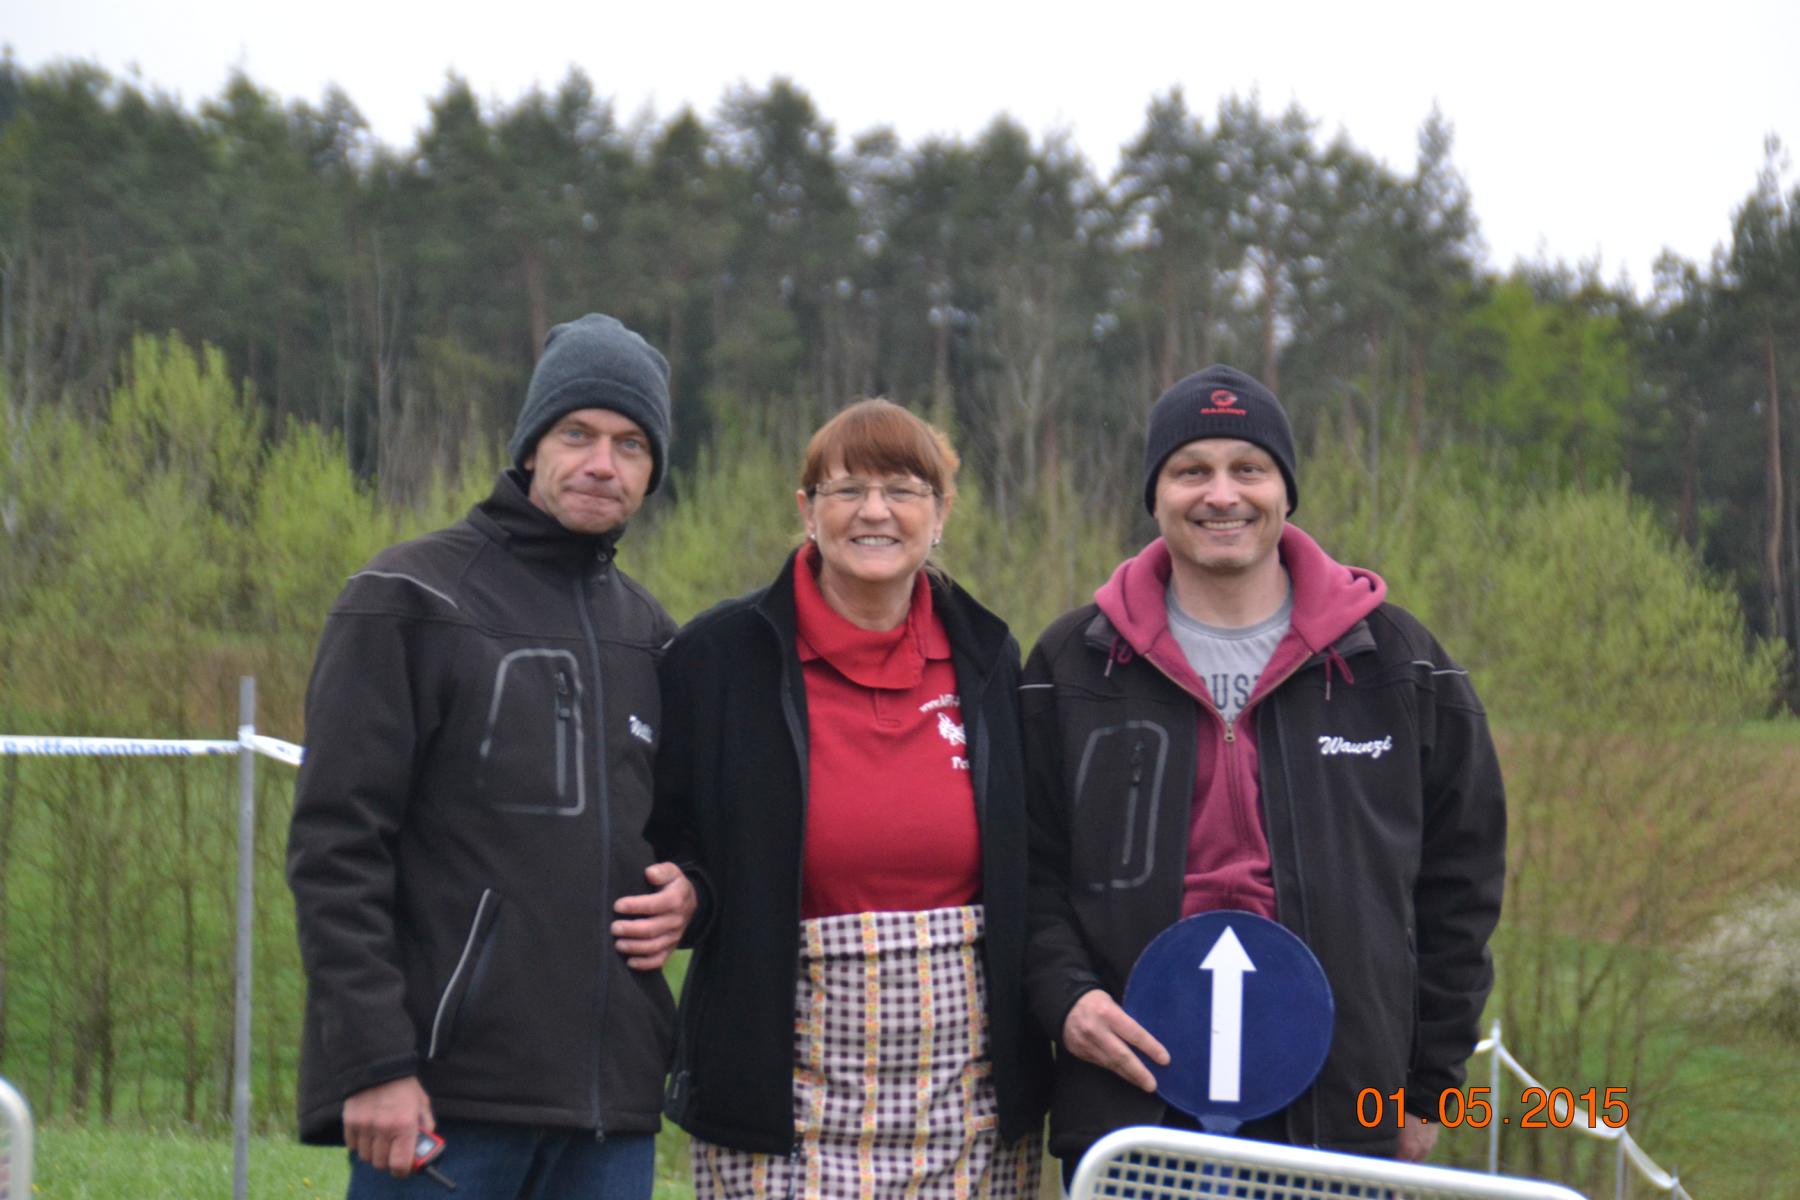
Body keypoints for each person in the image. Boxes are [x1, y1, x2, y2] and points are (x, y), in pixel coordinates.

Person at [1022, 365, 1505, 1172]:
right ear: (1155, 495)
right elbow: (1025, 871)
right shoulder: (1071, 664)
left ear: (1285, 490)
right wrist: (1065, 998)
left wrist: (1430, 1091)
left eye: (1248, 468)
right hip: (1128, 1113)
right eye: (1191, 470)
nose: (1222, 495)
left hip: (1343, 1117)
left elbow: (1463, 888)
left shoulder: (1399, 664)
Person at [287, 313, 696, 1199]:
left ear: (653, 469)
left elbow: (692, 838)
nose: (602, 463)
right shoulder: (407, 600)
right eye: (577, 434)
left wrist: (693, 894)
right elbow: (335, 851)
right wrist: (374, 1061)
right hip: (441, 1105)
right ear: (531, 445)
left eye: (630, 444)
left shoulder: (655, 638)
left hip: (610, 1120)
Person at [648, 399, 1050, 1199]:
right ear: (807, 511)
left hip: (965, 1091)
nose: (874, 511)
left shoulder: (989, 656)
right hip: (781, 1088)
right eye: (847, 490)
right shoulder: (719, 657)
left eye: (902, 489)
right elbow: (666, 833)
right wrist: (689, 890)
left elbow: (1030, 857)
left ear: (941, 513)